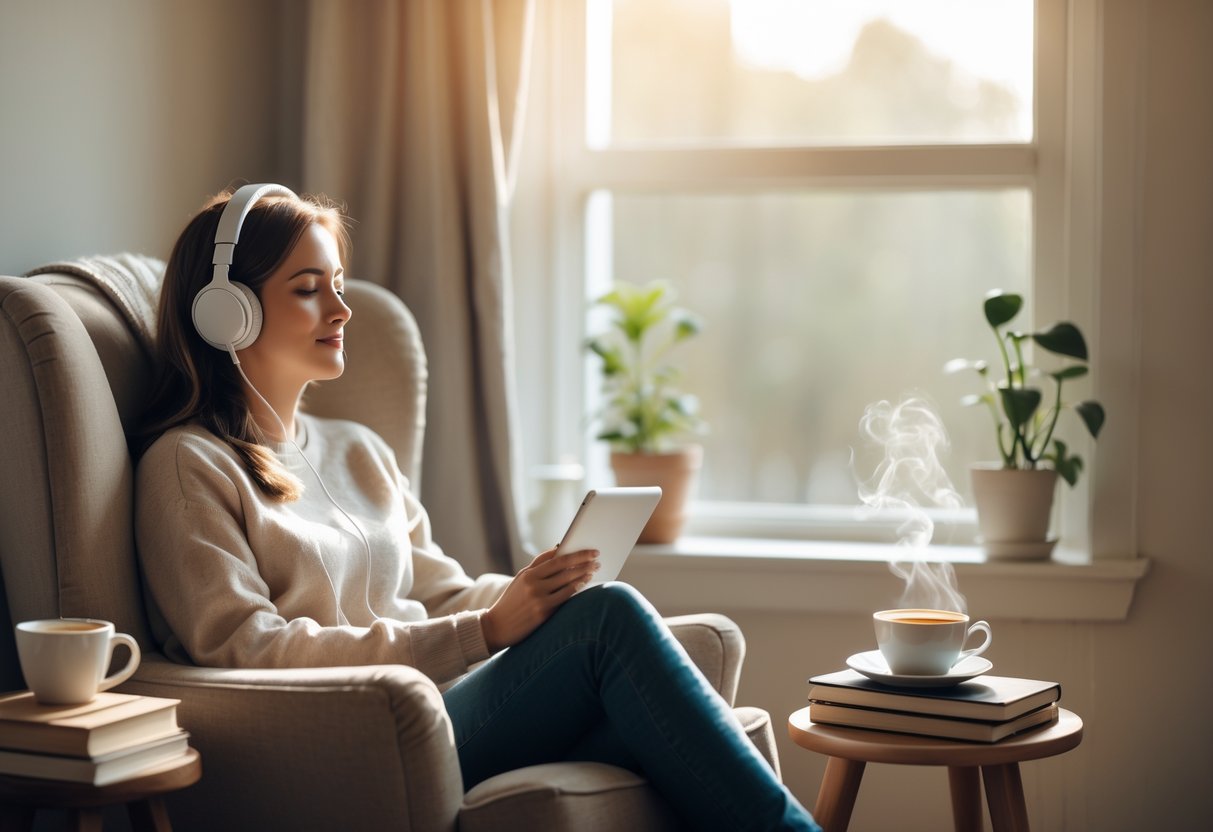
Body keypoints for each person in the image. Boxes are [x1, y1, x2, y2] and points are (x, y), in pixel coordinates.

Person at [134, 185, 820, 832]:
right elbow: (247, 649)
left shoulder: (359, 451)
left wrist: (535, 597)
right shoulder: (188, 465)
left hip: (444, 702)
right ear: (227, 312)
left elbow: (442, 592)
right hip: (364, 726)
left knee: (648, 693)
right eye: (309, 290)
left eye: (338, 286)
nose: (341, 311)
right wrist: (485, 632)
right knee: (615, 630)